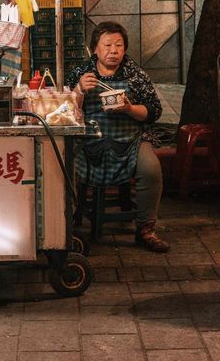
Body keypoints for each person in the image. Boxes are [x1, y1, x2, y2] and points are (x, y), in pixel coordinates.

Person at [67, 21, 170, 253]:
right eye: (107, 45)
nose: (113, 51)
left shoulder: (135, 75)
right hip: (89, 140)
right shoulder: (81, 73)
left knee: (151, 168)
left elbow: (154, 111)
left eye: (119, 45)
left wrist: (129, 109)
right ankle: (67, 226)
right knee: (61, 165)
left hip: (129, 140)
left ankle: (146, 230)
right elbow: (65, 111)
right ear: (95, 48)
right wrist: (79, 90)